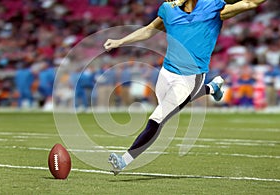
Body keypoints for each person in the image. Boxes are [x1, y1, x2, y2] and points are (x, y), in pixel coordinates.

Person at [103, 0, 266, 175]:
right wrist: (120, 41)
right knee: (168, 105)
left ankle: (123, 161)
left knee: (158, 118)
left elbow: (249, 3)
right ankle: (212, 88)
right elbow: (149, 29)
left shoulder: (212, 7)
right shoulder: (168, 10)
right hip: (166, 72)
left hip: (190, 77)